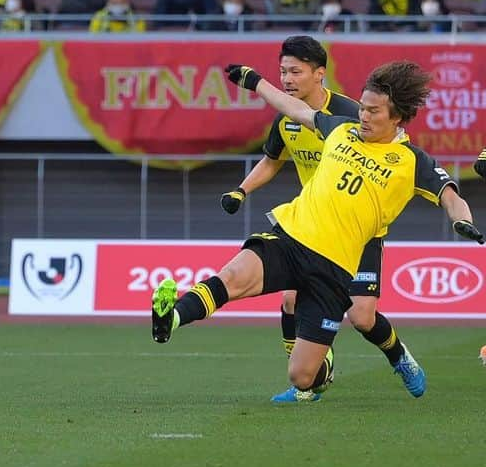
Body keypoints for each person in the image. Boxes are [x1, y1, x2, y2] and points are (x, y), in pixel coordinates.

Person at [153, 59, 482, 403]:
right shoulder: (341, 129)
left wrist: (463, 221)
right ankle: (170, 319)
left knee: (310, 368)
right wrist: (257, 82)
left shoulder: (412, 160)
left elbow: (450, 195)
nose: (364, 116)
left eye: (373, 111)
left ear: (396, 117)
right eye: (363, 108)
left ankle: (377, 362)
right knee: (234, 275)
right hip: (291, 237)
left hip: (335, 266)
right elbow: (294, 109)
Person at [217, 37, 436, 399]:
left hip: (360, 231)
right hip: (313, 227)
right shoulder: (287, 119)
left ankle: (400, 357)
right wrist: (241, 190)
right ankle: (312, 382)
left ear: (319, 74)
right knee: (290, 299)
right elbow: (272, 160)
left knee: (362, 317)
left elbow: (398, 154)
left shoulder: (351, 115)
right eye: (282, 71)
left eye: (295, 71)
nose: (286, 78)